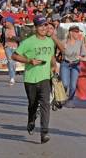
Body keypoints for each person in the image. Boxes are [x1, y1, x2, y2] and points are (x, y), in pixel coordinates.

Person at [11, 15, 56, 144]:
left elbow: (51, 56)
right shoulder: (28, 42)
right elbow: (14, 55)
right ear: (36, 27)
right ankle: (31, 120)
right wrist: (29, 60)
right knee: (32, 104)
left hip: (45, 78)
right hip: (30, 79)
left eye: (45, 25)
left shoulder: (50, 41)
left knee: (45, 104)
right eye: (41, 26)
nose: (44, 28)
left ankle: (44, 132)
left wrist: (54, 66)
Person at [60, 26, 86, 108]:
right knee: (65, 84)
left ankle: (70, 100)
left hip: (75, 65)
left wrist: (81, 56)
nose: (77, 33)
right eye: (76, 32)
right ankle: (62, 97)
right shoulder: (64, 42)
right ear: (70, 32)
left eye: (78, 32)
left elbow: (85, 54)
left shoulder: (80, 43)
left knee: (73, 85)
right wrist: (62, 49)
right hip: (65, 64)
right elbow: (57, 52)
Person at [0, 17, 21, 85]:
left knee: (13, 63)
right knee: (10, 61)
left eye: (6, 22)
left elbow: (20, 38)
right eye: (4, 22)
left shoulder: (17, 29)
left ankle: (13, 76)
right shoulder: (4, 29)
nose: (4, 24)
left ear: (10, 22)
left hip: (15, 47)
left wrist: (13, 37)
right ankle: (12, 78)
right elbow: (2, 37)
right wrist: (0, 42)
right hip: (7, 47)